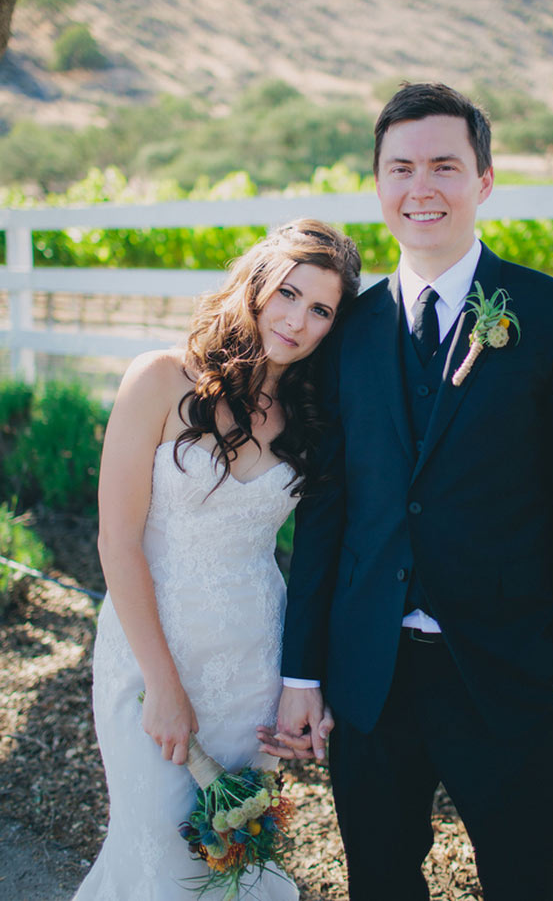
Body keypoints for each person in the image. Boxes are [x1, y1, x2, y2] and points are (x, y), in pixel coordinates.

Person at [268, 84, 553, 901]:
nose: (420, 187)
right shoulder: (343, 329)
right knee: (380, 883)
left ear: (484, 179)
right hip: (370, 674)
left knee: (522, 883)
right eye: (400, 168)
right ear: (379, 184)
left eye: (443, 166)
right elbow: (329, 507)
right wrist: (303, 670)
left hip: (508, 672)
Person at [72, 218, 361, 901]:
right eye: (289, 293)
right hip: (150, 659)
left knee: (231, 865)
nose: (298, 319)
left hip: (252, 668)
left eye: (321, 309)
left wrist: (304, 683)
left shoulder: (312, 418)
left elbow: (325, 556)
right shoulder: (160, 379)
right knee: (163, 858)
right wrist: (164, 686)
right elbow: (117, 543)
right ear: (257, 284)